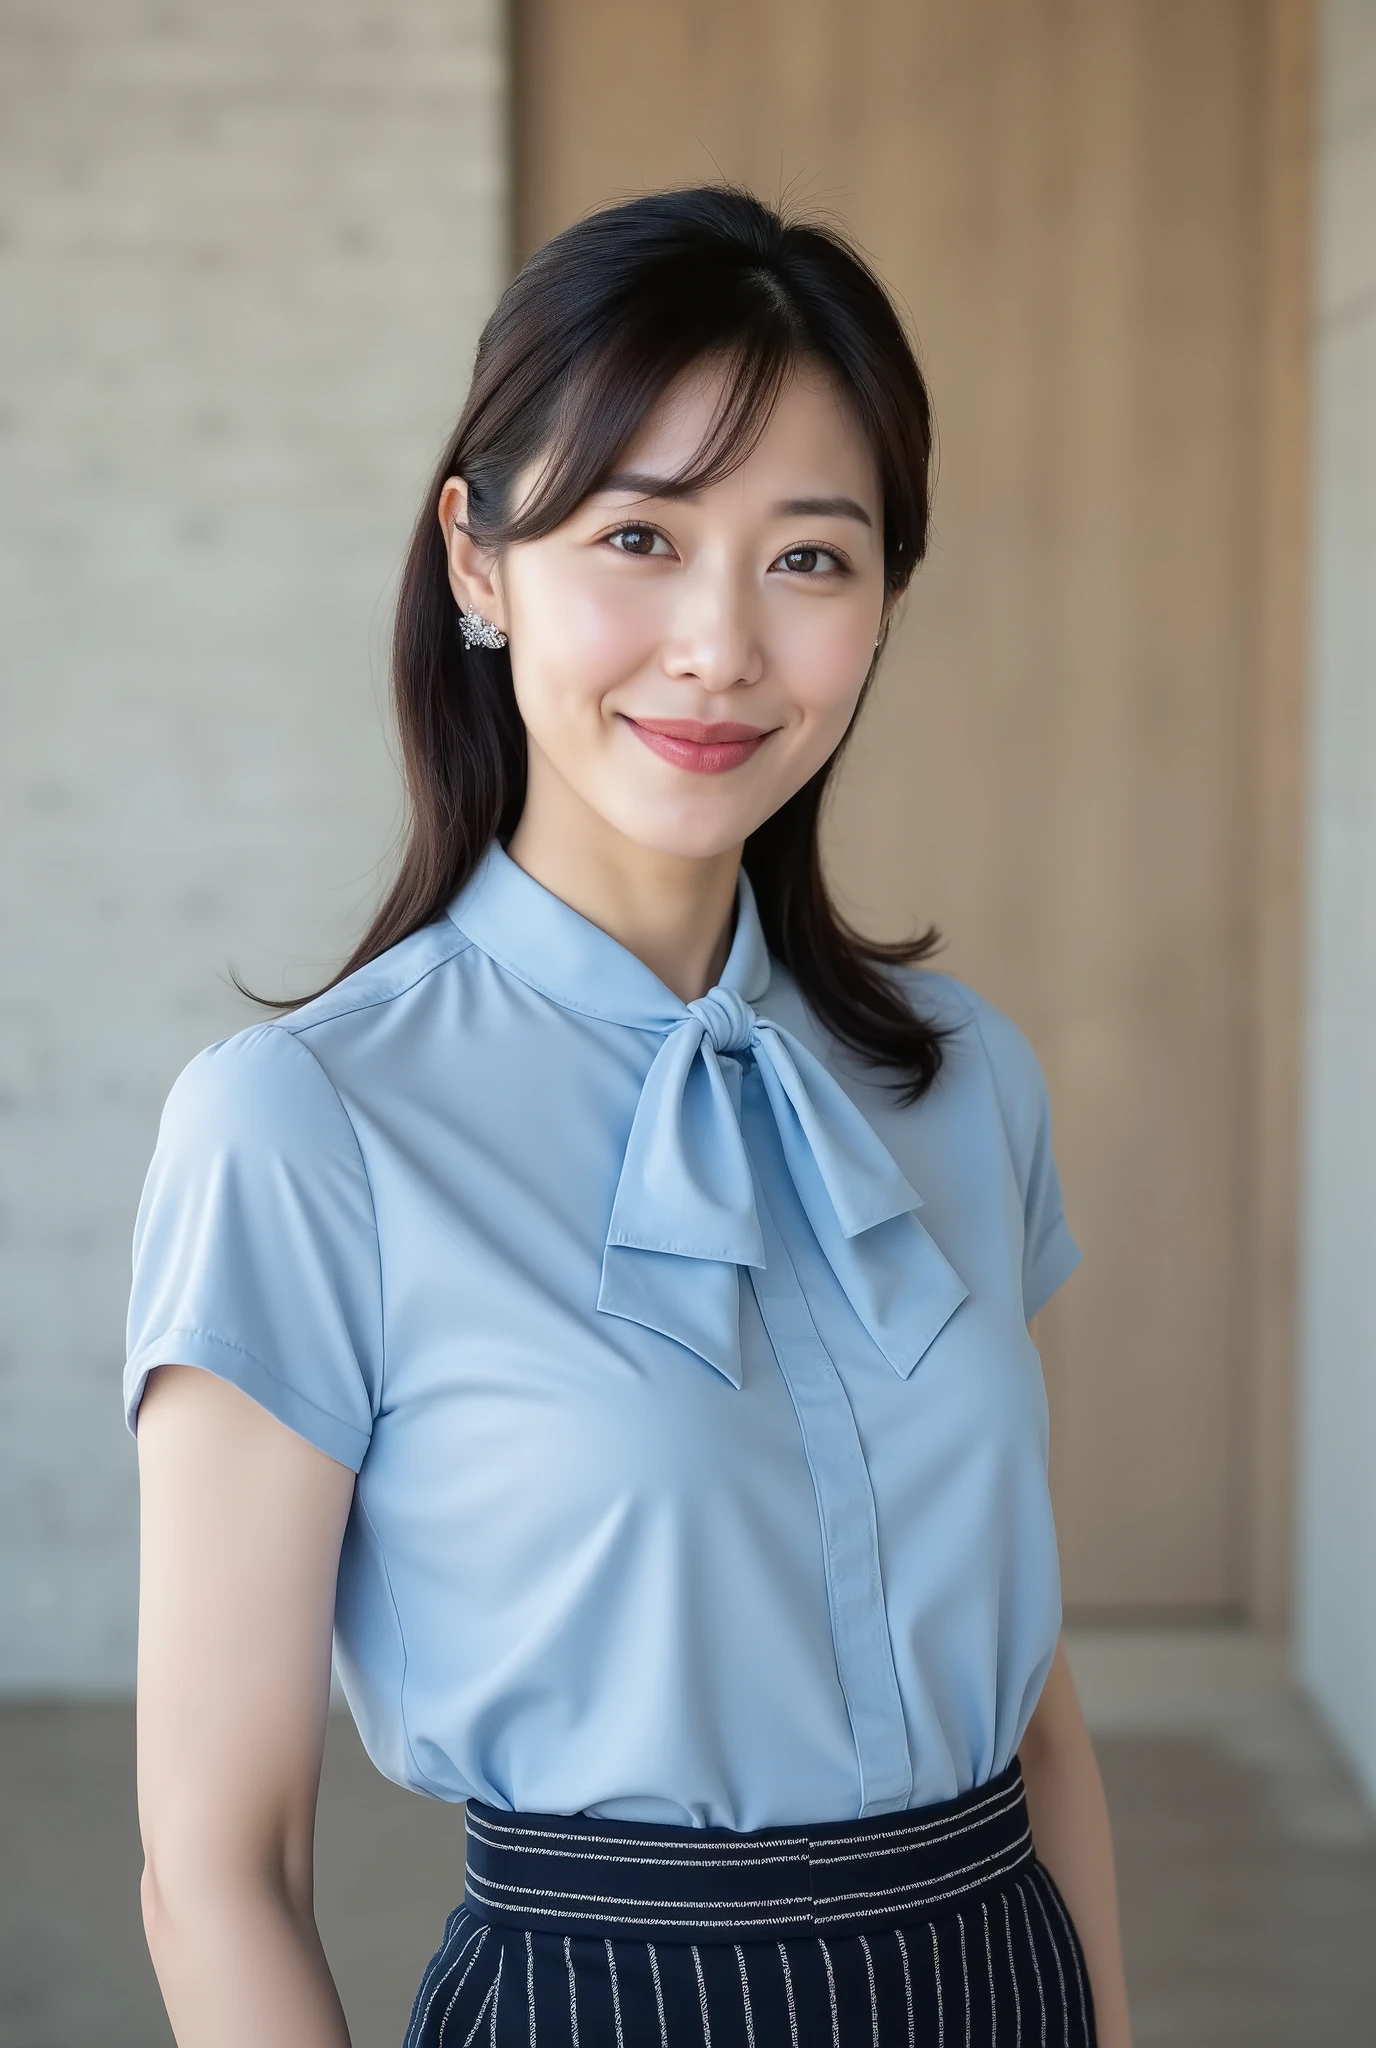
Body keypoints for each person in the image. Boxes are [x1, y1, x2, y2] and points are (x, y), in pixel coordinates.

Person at [126, 185, 1133, 2047]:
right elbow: (218, 1864)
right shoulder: (305, 1127)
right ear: (479, 563)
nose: (719, 645)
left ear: (885, 599)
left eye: (809, 559)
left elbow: (1042, 1715)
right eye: (639, 536)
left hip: (1004, 1980)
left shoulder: (964, 1077)